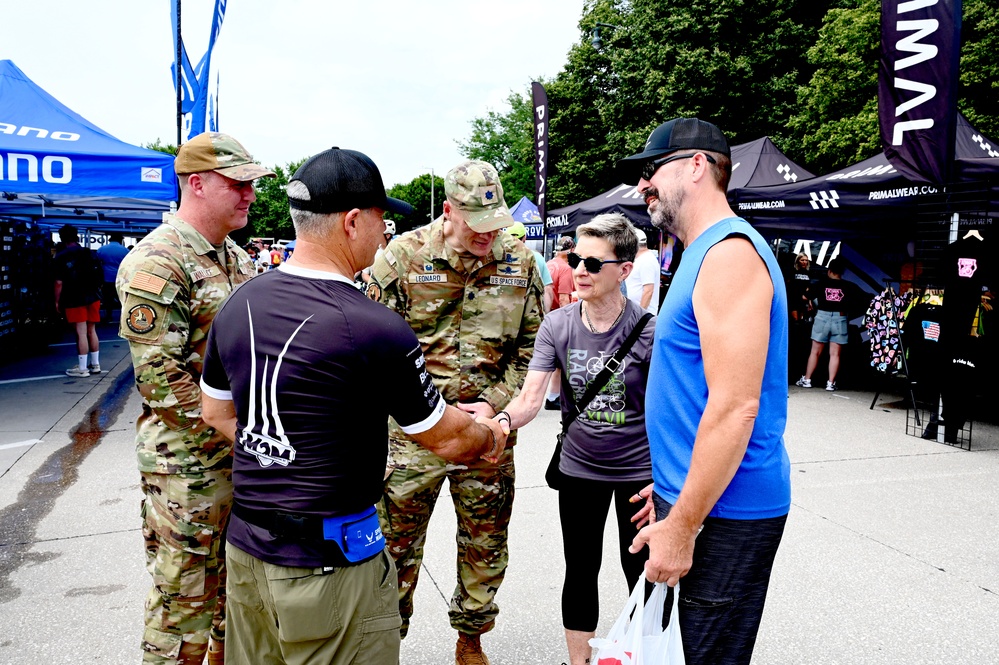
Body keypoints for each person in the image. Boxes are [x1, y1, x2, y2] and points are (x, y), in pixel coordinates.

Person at [199, 147, 508, 665]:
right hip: (331, 567)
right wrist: (492, 435)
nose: (385, 231)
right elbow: (448, 437)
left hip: (248, 554)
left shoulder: (240, 301)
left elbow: (216, 413)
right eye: (381, 218)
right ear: (352, 221)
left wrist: (280, 453)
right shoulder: (371, 326)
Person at [619, 117, 791, 664]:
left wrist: (685, 521)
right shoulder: (700, 251)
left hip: (727, 512)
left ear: (697, 166)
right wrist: (673, 489)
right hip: (702, 498)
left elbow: (736, 407)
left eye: (652, 170)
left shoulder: (729, 253)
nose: (643, 185)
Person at [369, 159, 544, 664]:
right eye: (477, 223)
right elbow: (370, 347)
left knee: (485, 544)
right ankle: (385, 645)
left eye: (497, 221)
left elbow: (536, 350)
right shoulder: (400, 258)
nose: (490, 234)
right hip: (411, 435)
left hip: (487, 433)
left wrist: (494, 403)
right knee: (392, 552)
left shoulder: (521, 263)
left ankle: (471, 639)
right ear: (448, 211)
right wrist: (422, 410)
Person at [116, 131, 274, 665]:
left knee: (237, 602)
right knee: (182, 608)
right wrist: (241, 434)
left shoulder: (236, 258)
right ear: (198, 184)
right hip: (188, 467)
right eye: (240, 184)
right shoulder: (158, 263)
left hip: (240, 459)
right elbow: (160, 383)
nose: (251, 194)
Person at [497, 213, 654, 665]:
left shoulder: (649, 330)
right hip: (580, 469)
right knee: (580, 570)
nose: (580, 270)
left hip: (638, 476)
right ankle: (578, 663)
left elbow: (669, 416)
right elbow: (530, 398)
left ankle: (640, 655)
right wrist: (502, 422)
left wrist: (669, 481)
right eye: (574, 258)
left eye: (593, 262)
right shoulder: (558, 325)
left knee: (640, 573)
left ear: (624, 270)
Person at [796, 256, 866, 391]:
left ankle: (807, 379)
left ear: (829, 270)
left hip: (822, 317)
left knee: (815, 351)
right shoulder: (849, 286)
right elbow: (864, 298)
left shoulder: (820, 284)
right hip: (840, 318)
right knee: (835, 354)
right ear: (842, 272)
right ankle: (830, 383)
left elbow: (805, 296)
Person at [53, 224, 103, 377]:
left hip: (74, 297)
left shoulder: (61, 257)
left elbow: (58, 283)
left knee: (80, 332)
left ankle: (82, 368)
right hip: (93, 296)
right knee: (91, 330)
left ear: (62, 238)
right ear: (77, 237)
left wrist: (57, 301)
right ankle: (95, 364)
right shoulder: (89, 253)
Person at [545, 236, 576, 410]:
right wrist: (570, 322)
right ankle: (554, 397)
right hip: (559, 318)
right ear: (571, 250)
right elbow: (564, 298)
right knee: (563, 361)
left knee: (555, 362)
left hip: (547, 318)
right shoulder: (565, 269)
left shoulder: (549, 264)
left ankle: (553, 396)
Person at [508, 221, 554, 312]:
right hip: (530, 312)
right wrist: (546, 314)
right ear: (525, 237)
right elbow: (547, 289)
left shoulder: (498, 258)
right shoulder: (536, 257)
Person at [624, 228, 661, 316]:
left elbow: (648, 291)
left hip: (643, 315)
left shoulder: (647, 261)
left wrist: (639, 315)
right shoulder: (643, 259)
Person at [96, 232, 129, 322]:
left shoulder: (102, 249)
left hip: (106, 277)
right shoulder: (125, 250)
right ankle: (123, 316)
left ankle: (108, 315)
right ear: (120, 240)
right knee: (121, 298)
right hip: (120, 277)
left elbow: (98, 263)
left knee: (107, 299)